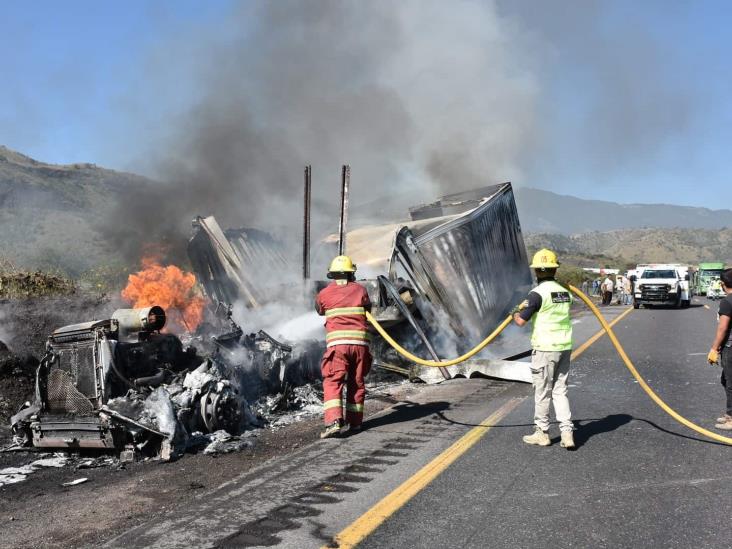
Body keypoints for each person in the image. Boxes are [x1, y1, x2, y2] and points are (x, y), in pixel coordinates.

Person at [513, 248, 575, 449]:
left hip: (545, 349)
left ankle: (542, 433)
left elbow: (521, 321)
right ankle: (567, 433)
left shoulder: (537, 294)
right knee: (560, 391)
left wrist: (515, 311)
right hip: (564, 347)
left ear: (537, 271)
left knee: (542, 392)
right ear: (554, 269)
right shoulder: (565, 292)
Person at [315, 255, 372, 439]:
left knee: (333, 381)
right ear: (351, 274)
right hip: (360, 346)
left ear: (332, 274)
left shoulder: (324, 293)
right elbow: (368, 310)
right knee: (356, 382)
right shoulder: (361, 290)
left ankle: (334, 422)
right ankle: (355, 423)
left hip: (338, 348)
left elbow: (319, 309)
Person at [707, 270, 732, 430]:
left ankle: (731, 419)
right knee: (725, 379)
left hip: (730, 346)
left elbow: (723, 328)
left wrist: (714, 349)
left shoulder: (727, 302)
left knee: (730, 383)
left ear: (723, 284)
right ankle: (730, 413)